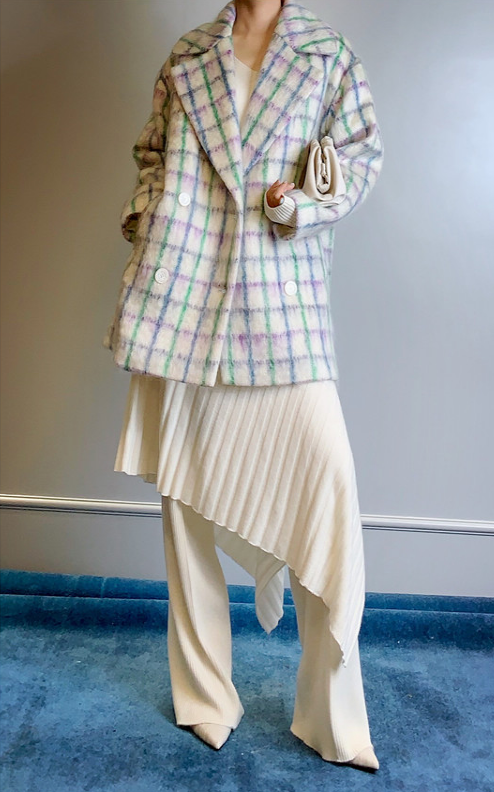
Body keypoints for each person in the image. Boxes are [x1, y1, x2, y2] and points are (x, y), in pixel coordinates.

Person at [104, 0, 384, 772]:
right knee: (185, 502)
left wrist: (301, 205)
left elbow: (361, 156)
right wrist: (151, 218)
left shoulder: (327, 54)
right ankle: (204, 697)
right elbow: (151, 154)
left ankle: (332, 716)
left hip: (280, 301)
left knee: (328, 484)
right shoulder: (188, 54)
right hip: (183, 298)